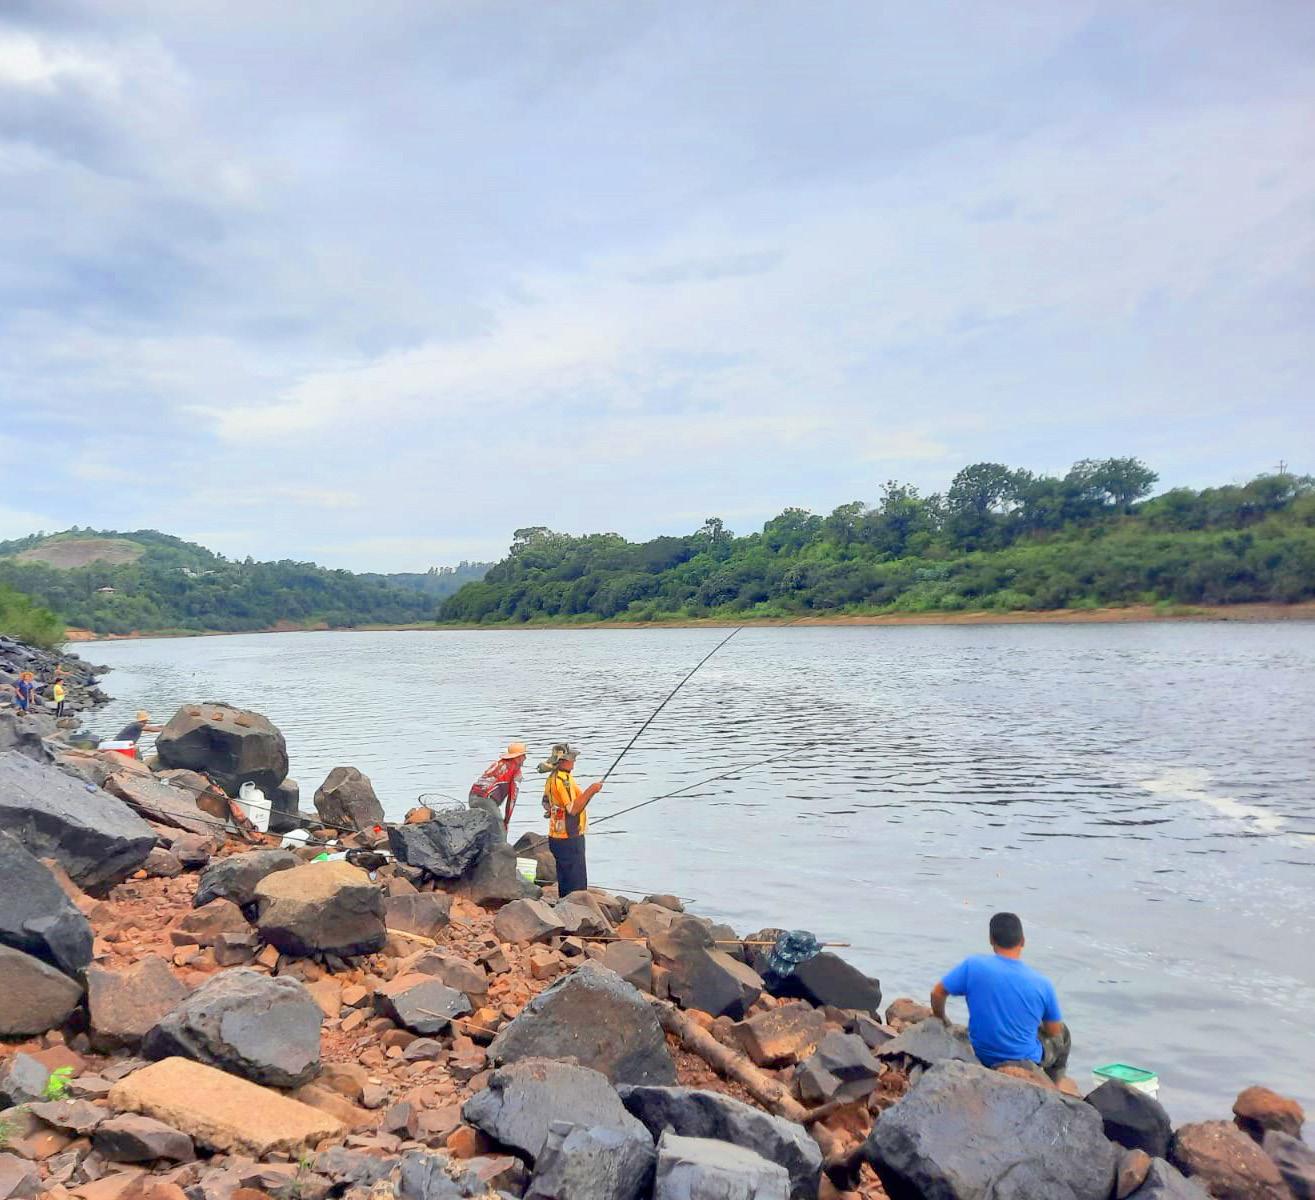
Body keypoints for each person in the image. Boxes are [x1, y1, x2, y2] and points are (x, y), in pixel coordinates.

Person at [930, 911, 1071, 1082]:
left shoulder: (973, 966)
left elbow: (937, 993)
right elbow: (1053, 1031)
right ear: (1023, 941)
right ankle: (1051, 1085)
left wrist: (941, 1018)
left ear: (991, 940)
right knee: (1063, 1033)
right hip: (1024, 1060)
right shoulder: (1043, 984)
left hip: (982, 1054)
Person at [539, 743, 603, 898]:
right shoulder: (563, 780)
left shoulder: (552, 777)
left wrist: (554, 810)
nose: (574, 761)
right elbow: (573, 809)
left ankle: (565, 907)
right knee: (576, 886)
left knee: (565, 881)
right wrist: (591, 790)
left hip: (557, 836)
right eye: (571, 758)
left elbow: (545, 802)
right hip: (569, 837)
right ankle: (576, 909)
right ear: (562, 761)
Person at [468, 741, 529, 831]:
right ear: (518, 757)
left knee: (481, 827)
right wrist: (506, 821)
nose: (525, 758)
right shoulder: (515, 771)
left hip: (472, 797)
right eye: (523, 755)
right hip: (486, 799)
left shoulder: (499, 764)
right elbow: (512, 800)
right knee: (500, 828)